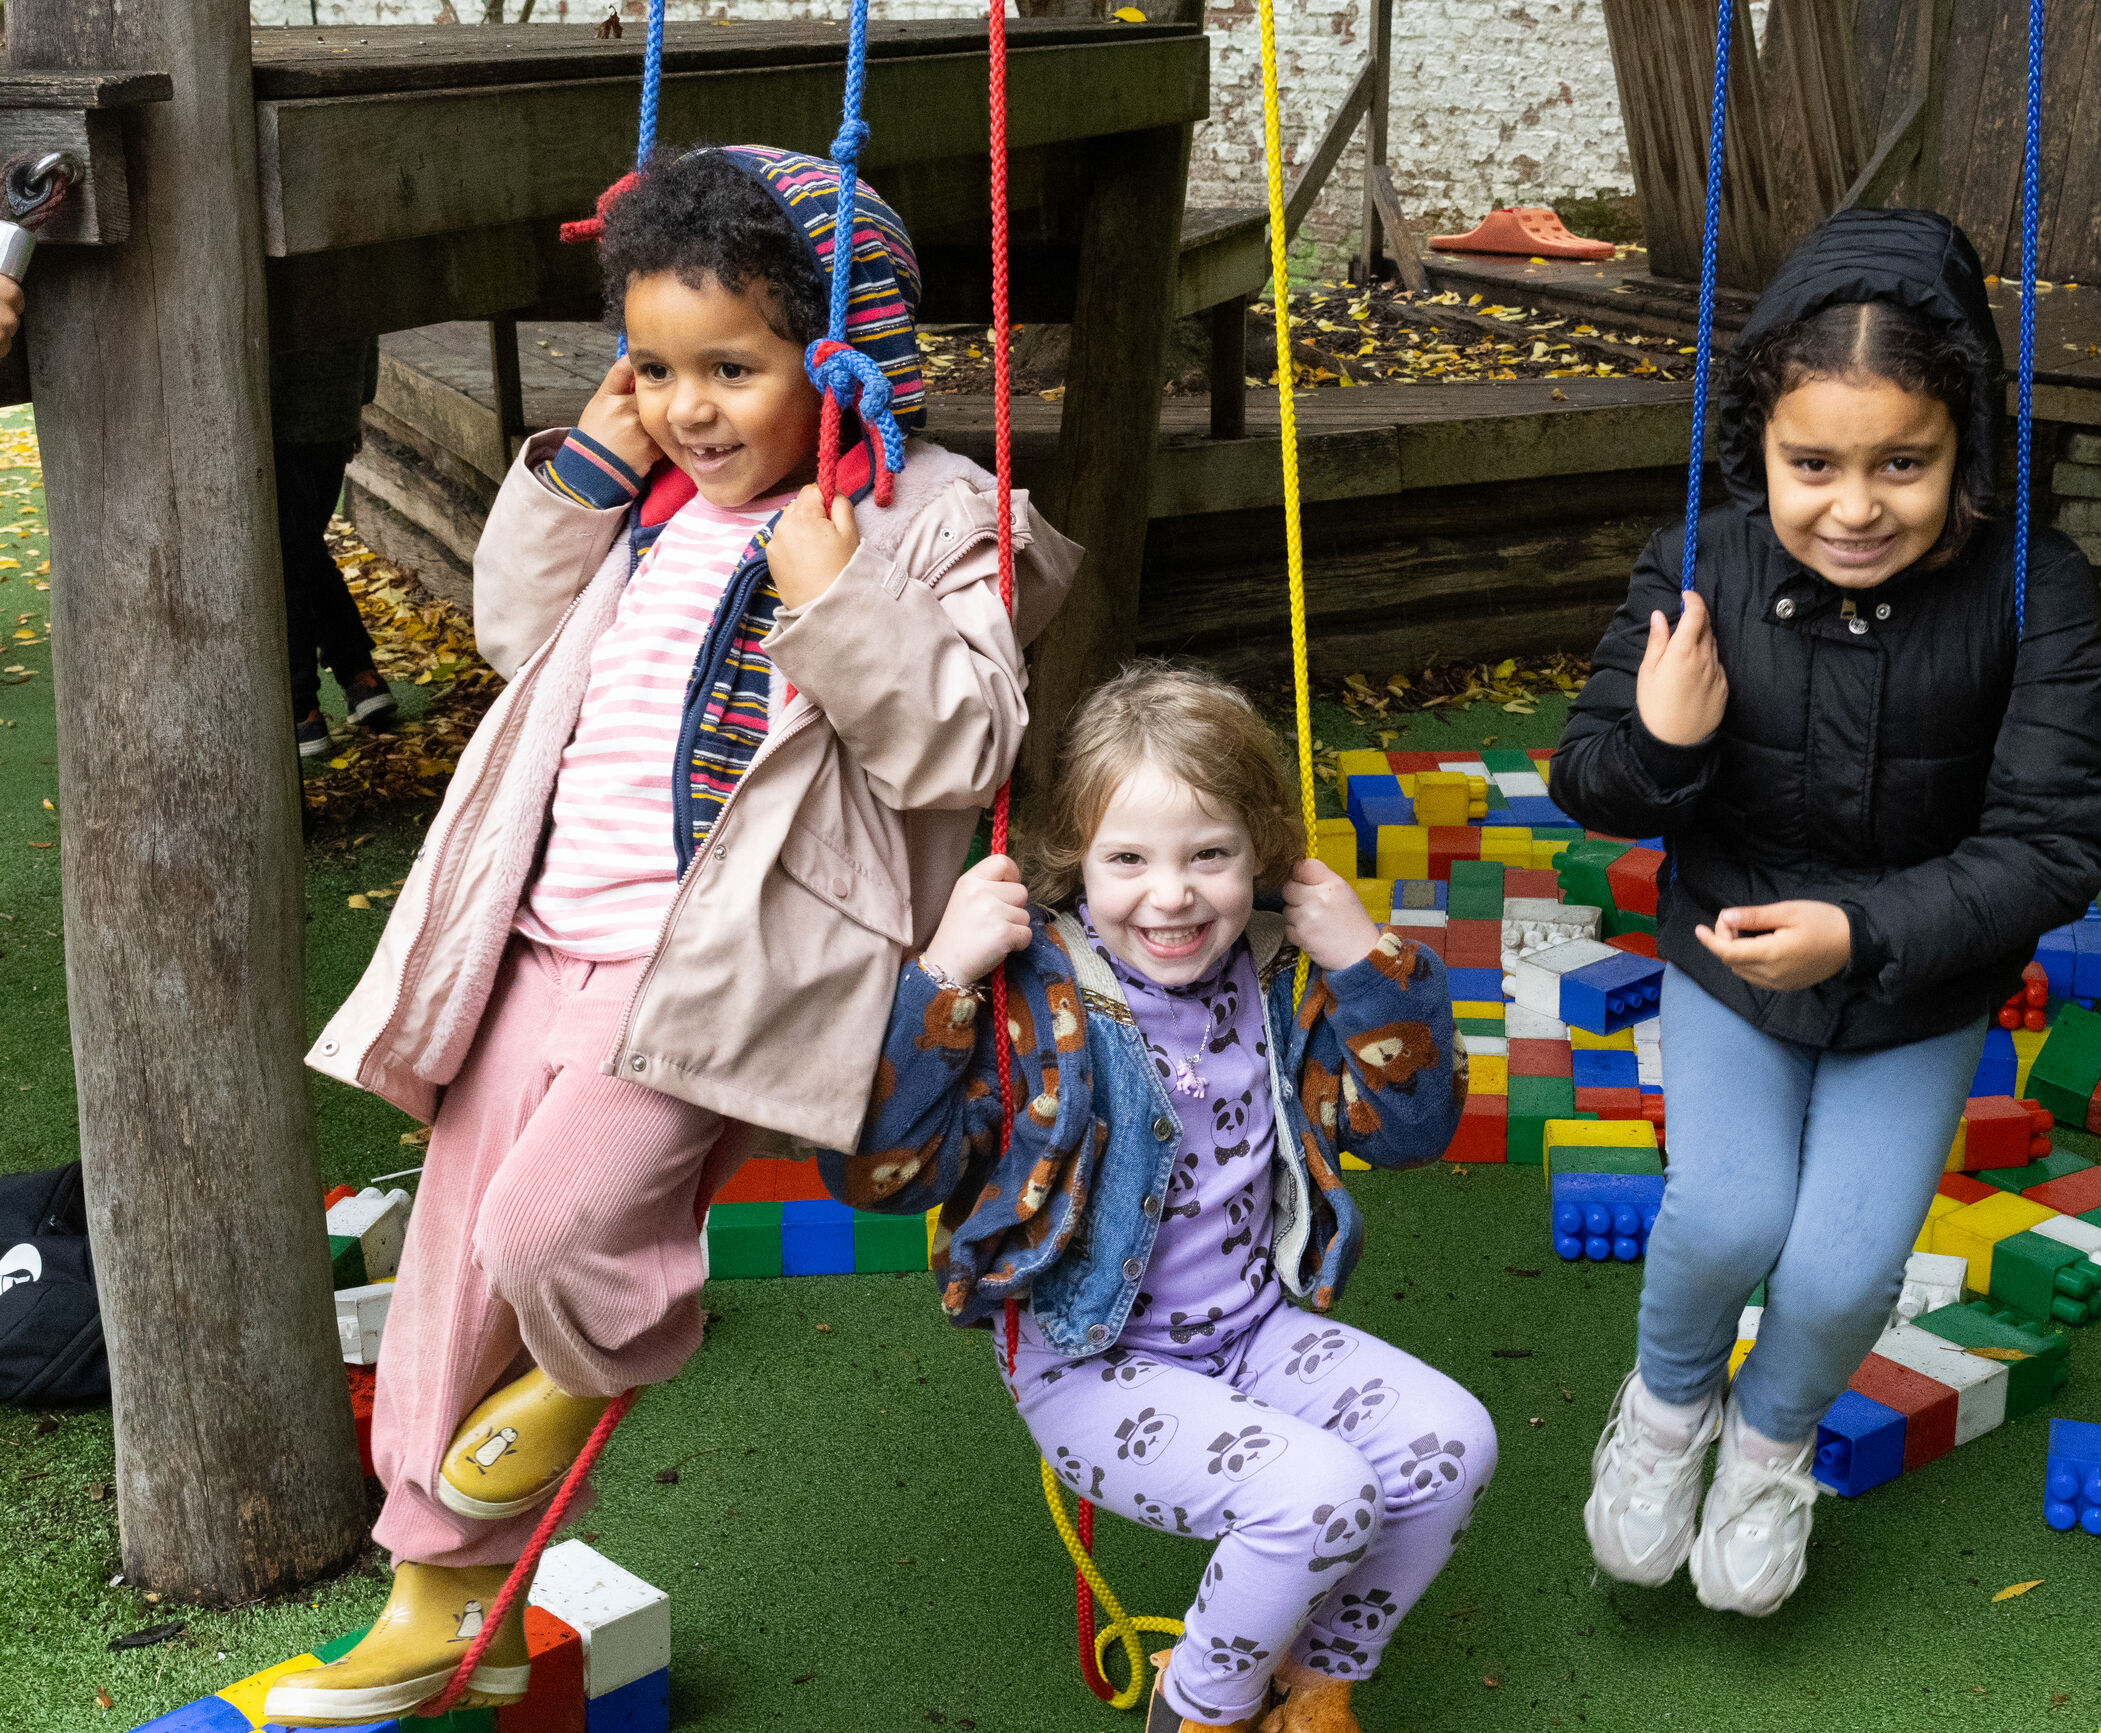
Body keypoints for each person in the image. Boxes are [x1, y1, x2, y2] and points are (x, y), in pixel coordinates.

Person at [266, 144, 1079, 1726]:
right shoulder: (642, 494)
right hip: (540, 936)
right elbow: (513, 635)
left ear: (845, 362)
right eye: (656, 367)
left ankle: (590, 1367)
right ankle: (444, 1602)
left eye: (736, 368)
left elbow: (962, 746)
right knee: (448, 1262)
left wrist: (843, 599)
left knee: (549, 1235)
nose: (692, 407)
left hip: (716, 975)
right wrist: (584, 458)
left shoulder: (928, 520)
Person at [1551, 208, 2101, 1617]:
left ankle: (1768, 1445)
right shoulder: (1701, 560)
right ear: (1759, 448)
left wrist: (1864, 936)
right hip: (1737, 958)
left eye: (1902, 465)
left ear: (1963, 451)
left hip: (1915, 983)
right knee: (1726, 1215)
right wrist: (1666, 742)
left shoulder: (2032, 589)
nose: (1853, 506)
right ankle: (1671, 1408)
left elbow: (2062, 838)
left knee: (1845, 1263)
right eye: (1813, 465)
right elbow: (1591, 779)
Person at [832, 664, 1494, 1733]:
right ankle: (1198, 1710)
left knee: (1452, 1441)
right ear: (1073, 860)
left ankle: (1312, 1677)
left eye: (1210, 855)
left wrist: (1368, 963)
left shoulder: (1277, 971)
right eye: (1127, 858)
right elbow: (878, 1173)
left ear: (1259, 855)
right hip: (1090, 1362)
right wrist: (944, 976)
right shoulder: (1035, 996)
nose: (1172, 894)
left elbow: (1414, 1131)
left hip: (1254, 1333)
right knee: (1316, 1493)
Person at [272, 338, 398, 758]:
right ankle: (359, 675)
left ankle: (301, 707)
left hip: (277, 411)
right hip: (330, 403)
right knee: (299, 548)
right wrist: (355, 402)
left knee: (288, 557)